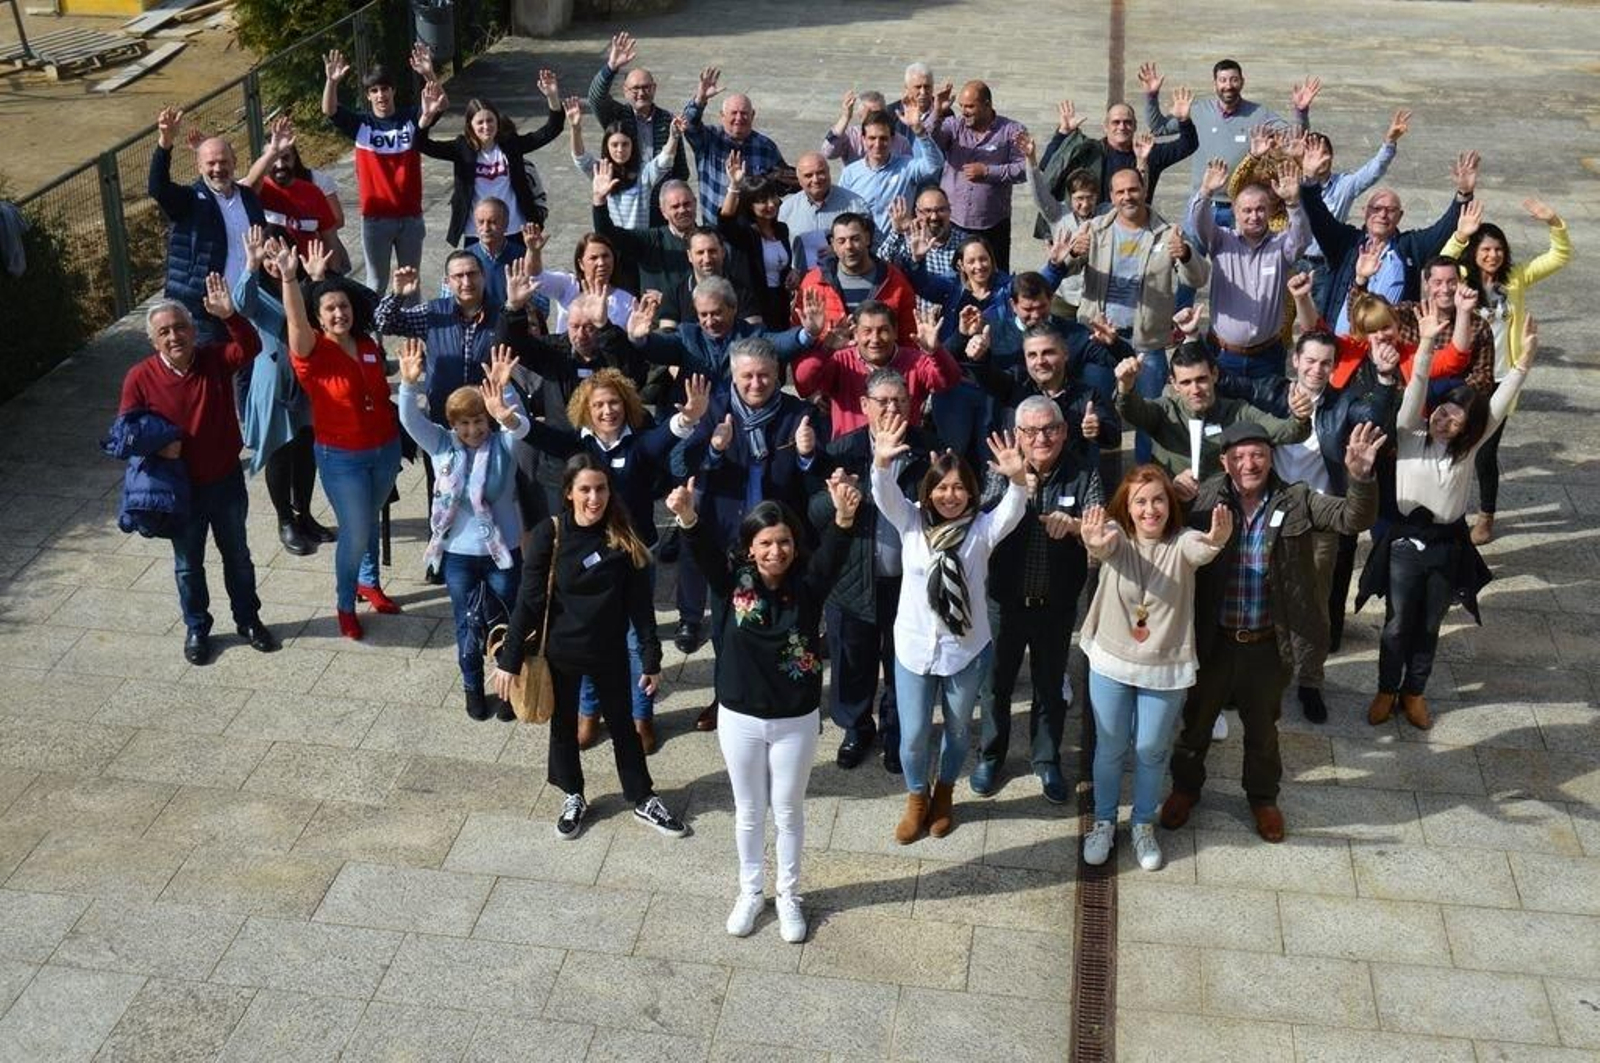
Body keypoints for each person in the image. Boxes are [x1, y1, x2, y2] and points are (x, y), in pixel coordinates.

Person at [1160, 419, 1384, 843]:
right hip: (1213, 640)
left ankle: (1263, 798)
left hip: (1266, 644)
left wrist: (1360, 477)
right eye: (1240, 456)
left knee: (1263, 731)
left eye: (1258, 455)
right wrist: (1175, 497)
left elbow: (1353, 517)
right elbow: (1159, 533)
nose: (1250, 464)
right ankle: (1185, 789)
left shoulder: (1297, 499)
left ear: (1270, 458)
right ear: (1224, 462)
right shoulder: (1204, 499)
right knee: (1195, 725)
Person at [669, 470, 859, 942]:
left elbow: (834, 552)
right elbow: (703, 551)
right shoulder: (731, 583)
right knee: (749, 811)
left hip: (795, 720)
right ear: (750, 547)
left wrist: (843, 517)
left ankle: (789, 895)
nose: (777, 551)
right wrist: (688, 516)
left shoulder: (808, 585)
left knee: (788, 811)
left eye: (785, 541)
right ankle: (751, 892)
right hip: (740, 718)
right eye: (766, 543)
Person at [1357, 309, 1538, 730]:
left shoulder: (1468, 450)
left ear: (1467, 428)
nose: (1444, 419)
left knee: (1429, 624)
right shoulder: (1409, 433)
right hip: (1404, 544)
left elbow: (1495, 408)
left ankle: (1414, 692)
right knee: (1397, 623)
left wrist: (1523, 364)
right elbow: (1417, 385)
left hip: (1447, 545)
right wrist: (1424, 344)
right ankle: (1386, 688)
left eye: (1456, 418)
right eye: (1442, 412)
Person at [491, 454, 687, 841]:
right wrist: (509, 659)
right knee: (563, 727)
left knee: (624, 727)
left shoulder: (622, 536)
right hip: (561, 652)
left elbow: (640, 606)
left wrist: (651, 656)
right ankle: (572, 795)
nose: (594, 498)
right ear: (569, 492)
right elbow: (529, 601)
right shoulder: (550, 534)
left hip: (609, 651)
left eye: (601, 489)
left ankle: (642, 797)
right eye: (585, 489)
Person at [518, 370, 710, 753]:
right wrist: (508, 417)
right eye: (599, 405)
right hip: (587, 557)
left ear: (627, 404)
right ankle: (589, 713)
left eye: (614, 402)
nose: (608, 411)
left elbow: (664, 437)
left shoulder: (638, 443)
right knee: (589, 635)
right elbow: (539, 435)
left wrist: (689, 417)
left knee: (636, 639)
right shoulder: (578, 445)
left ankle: (641, 716)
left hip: (634, 556)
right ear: (586, 410)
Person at [872, 419, 1028, 844]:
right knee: (913, 735)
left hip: (965, 650)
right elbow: (884, 495)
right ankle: (916, 797)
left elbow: (1013, 510)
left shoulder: (982, 529)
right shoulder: (911, 521)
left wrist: (1017, 478)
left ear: (971, 493)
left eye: (959, 488)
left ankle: (944, 793)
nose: (950, 495)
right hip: (913, 650)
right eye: (942, 487)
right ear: (929, 491)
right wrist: (881, 463)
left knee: (958, 731)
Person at [1077, 465, 1230, 869]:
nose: (1150, 509)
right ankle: (1104, 822)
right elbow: (1103, 544)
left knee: (1150, 750)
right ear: (1127, 508)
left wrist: (1216, 540)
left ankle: (1143, 824)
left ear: (1170, 503)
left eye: (1158, 499)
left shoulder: (1182, 541)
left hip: (1164, 668)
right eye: (1140, 502)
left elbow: (1201, 549)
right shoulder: (1118, 536)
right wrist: (1093, 541)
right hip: (1111, 662)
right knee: (1110, 747)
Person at [118, 279, 276, 665]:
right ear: (153, 341)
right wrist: (157, 446)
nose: (174, 337)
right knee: (188, 566)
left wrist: (230, 316)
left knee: (237, 556)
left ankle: (248, 620)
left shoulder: (213, 359)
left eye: (180, 328)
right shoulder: (140, 377)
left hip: (225, 481)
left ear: (193, 330)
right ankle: (197, 628)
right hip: (179, 490)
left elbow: (250, 347)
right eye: (164, 332)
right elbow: (124, 433)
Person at [677, 339, 821, 730]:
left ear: (778, 375)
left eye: (764, 376)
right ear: (734, 377)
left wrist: (808, 456)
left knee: (788, 622)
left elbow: (817, 481)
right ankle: (725, 695)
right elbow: (680, 464)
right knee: (727, 623)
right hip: (730, 539)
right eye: (748, 376)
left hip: (780, 545)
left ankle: (786, 688)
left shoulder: (800, 414)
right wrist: (713, 450)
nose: (756, 384)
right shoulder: (714, 411)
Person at [975, 397, 1103, 801]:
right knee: (995, 685)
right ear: (1018, 435)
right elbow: (981, 523)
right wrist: (1013, 492)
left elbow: (1100, 526)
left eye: (1049, 429)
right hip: (1004, 601)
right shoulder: (1001, 468)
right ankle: (990, 756)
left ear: (1064, 432)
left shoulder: (1083, 472)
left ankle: (1046, 760)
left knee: (1050, 687)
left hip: (1056, 603)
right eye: (1030, 431)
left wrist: (1077, 526)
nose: (1041, 438)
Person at [806, 369, 934, 772]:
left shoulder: (928, 451)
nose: (892, 408)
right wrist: (839, 499)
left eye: (900, 401)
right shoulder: (841, 452)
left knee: (902, 662)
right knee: (851, 661)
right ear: (864, 406)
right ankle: (856, 728)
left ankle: (897, 730)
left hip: (907, 585)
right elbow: (813, 514)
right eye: (883, 401)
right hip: (852, 579)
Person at [276, 243, 403, 640]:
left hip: (385, 449)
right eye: (329, 309)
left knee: (370, 517)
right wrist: (290, 278)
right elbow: (296, 321)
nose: (338, 313)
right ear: (318, 318)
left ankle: (369, 582)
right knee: (356, 530)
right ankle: (346, 604)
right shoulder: (312, 353)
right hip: (342, 458)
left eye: (343, 306)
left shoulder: (366, 344)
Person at [397, 342, 529, 721]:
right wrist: (409, 384)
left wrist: (505, 390)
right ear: (453, 424)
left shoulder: (504, 444)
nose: (473, 430)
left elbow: (520, 425)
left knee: (507, 623)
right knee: (467, 625)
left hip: (502, 553)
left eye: (479, 421)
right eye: (464, 423)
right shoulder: (441, 444)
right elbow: (410, 420)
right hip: (458, 556)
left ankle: (508, 690)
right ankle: (472, 687)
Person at [1442, 197, 1571, 545]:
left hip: (1501, 380)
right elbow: (1440, 264)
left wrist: (1554, 221)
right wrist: (1460, 235)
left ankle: (1485, 517)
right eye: (1486, 249)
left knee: (1485, 453)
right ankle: (1448, 512)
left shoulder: (1515, 279)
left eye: (1498, 249)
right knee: (1451, 446)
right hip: (1464, 377)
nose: (1493, 255)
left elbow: (1558, 256)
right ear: (1475, 252)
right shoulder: (1462, 279)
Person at [1061, 167, 1209, 462]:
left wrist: (1185, 255)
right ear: (1111, 196)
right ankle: (1095, 480)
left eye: (1133, 190)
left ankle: (1144, 479)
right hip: (1099, 340)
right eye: (1120, 192)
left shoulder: (1167, 232)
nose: (1127, 196)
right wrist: (1073, 253)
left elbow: (1198, 278)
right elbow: (1064, 269)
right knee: (1093, 415)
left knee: (1149, 418)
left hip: (1146, 343)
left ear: (1144, 190)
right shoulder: (1095, 229)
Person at [231, 227, 336, 558]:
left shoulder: (303, 284)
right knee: (279, 450)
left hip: (307, 380)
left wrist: (317, 279)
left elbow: (326, 315)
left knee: (306, 448)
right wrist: (250, 265)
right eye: (267, 255)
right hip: (273, 380)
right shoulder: (258, 292)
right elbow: (240, 304)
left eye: (278, 251)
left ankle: (304, 513)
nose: (273, 261)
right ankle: (285, 520)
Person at [1303, 149, 1479, 333]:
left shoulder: (1411, 247)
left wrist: (1464, 194)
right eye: (1376, 208)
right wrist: (1308, 180)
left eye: (1391, 210)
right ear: (1364, 212)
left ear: (1400, 216)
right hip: (1343, 343)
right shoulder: (1345, 242)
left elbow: (1443, 229)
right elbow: (1317, 214)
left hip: (1391, 343)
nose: (1382, 215)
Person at [1113, 340, 1310, 500]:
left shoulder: (1237, 411)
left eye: (1201, 379)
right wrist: (1125, 386)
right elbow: (1131, 411)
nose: (1195, 390)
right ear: (1174, 384)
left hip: (1222, 507)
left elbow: (1284, 431)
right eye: (1186, 382)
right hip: (1172, 507)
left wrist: (1299, 417)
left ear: (1214, 375)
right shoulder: (1164, 411)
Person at [321, 45, 442, 296]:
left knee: (411, 285)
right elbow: (330, 110)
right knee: (375, 285)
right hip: (375, 220)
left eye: (384, 89)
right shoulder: (361, 124)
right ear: (368, 96)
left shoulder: (410, 118)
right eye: (374, 90)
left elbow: (439, 105)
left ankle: (412, 324)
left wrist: (429, 74)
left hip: (410, 217)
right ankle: (373, 325)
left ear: (393, 90)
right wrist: (332, 82)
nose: (380, 95)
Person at [1140, 59, 1314, 224]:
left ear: (1242, 82)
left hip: (1240, 208)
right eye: (1222, 80)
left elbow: (1295, 138)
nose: (1228, 86)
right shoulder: (1197, 111)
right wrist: (1151, 96)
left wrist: (1301, 112)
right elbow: (1159, 128)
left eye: (1234, 80)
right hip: (1202, 202)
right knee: (1190, 246)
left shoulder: (1260, 114)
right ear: (1214, 84)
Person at [149, 107, 267, 343]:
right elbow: (158, 188)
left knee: (251, 363)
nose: (218, 169)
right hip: (204, 313)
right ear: (199, 167)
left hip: (248, 306)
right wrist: (165, 143)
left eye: (223, 162)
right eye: (211, 163)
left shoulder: (248, 197)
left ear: (234, 163)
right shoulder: (190, 201)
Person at [1189, 158, 1311, 379]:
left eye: (1260, 210)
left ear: (1269, 211)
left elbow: (1302, 239)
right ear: (1235, 212)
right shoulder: (1221, 240)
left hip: (1268, 357)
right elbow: (1198, 222)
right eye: (1247, 210)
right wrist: (1206, 191)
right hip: (1224, 356)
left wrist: (1293, 203)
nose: (1254, 216)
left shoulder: (1280, 245)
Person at [417, 75, 564, 249]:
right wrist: (426, 117)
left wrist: (552, 97)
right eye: (480, 122)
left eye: (490, 120)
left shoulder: (511, 144)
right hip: (476, 232)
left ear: (497, 122)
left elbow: (551, 130)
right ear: (470, 126)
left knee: (519, 267)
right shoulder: (462, 149)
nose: (486, 127)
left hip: (515, 228)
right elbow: (422, 144)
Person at [792, 299, 962, 439]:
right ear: (855, 333)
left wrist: (935, 351)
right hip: (850, 455)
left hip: (905, 448)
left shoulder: (914, 360)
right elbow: (804, 380)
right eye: (867, 331)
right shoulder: (841, 360)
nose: (875, 339)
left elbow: (949, 379)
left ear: (895, 332)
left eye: (883, 331)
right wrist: (825, 350)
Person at [1033, 92, 1197, 230]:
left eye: (1127, 122)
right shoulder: (1089, 151)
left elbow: (1187, 145)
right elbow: (1049, 165)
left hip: (1133, 229)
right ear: (1105, 126)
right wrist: (1063, 133)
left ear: (1135, 126)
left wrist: (1184, 121)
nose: (1122, 127)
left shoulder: (1147, 153)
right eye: (1116, 122)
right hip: (1091, 230)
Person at [586, 30, 690, 222]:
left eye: (646, 88)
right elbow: (595, 98)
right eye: (635, 88)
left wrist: (672, 201)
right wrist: (611, 67)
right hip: (626, 206)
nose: (641, 93)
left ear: (654, 89)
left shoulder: (667, 120)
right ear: (625, 91)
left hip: (660, 208)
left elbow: (680, 169)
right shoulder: (617, 116)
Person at [934, 81, 1026, 271]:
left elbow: (1025, 169)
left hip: (992, 224)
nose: (964, 112)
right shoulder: (953, 126)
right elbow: (928, 141)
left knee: (995, 275)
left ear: (987, 105)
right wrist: (936, 111)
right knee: (953, 276)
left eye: (970, 106)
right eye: (961, 106)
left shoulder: (1011, 131)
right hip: (954, 222)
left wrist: (988, 172)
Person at [683, 66, 791, 225]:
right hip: (715, 229)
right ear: (722, 116)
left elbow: (782, 184)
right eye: (733, 113)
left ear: (753, 115)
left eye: (744, 113)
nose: (739, 118)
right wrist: (700, 100)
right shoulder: (709, 139)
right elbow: (688, 125)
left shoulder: (766, 146)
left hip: (753, 231)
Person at [792, 213, 918, 340]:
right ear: (833, 245)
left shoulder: (894, 280)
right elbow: (798, 337)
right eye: (841, 241)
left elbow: (909, 337)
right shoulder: (813, 282)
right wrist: (826, 346)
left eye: (855, 239)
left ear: (867, 239)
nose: (849, 246)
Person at [569, 98, 684, 231]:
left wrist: (674, 136)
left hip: (638, 239)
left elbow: (665, 159)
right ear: (607, 147)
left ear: (632, 146)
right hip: (610, 238)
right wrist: (575, 128)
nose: (620, 150)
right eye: (614, 145)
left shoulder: (644, 173)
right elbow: (580, 157)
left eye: (625, 144)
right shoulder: (602, 171)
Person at [838, 102, 943, 237]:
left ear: (892, 139)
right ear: (863, 139)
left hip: (898, 244)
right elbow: (841, 210)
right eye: (872, 138)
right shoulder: (850, 173)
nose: (877, 144)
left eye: (883, 138)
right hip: (862, 246)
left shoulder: (906, 167)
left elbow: (935, 165)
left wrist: (920, 132)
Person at [242, 117, 338, 261]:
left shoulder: (313, 193)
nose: (280, 165)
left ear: (294, 159)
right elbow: (249, 185)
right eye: (274, 159)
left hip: (307, 269)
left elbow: (330, 238)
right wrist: (273, 151)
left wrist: (333, 272)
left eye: (285, 158)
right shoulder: (259, 190)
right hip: (269, 269)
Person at [719, 156, 796, 329]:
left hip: (780, 304)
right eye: (762, 201)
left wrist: (792, 273)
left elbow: (778, 264)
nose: (771, 204)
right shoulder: (744, 233)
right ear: (749, 205)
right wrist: (734, 185)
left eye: (772, 197)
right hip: (753, 308)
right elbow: (725, 220)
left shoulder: (781, 229)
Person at [593, 178, 701, 295]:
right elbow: (608, 235)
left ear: (695, 203)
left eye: (687, 204)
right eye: (675, 206)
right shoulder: (649, 241)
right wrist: (599, 202)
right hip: (657, 307)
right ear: (663, 211)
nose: (682, 210)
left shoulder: (710, 240)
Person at [522, 228, 636, 333]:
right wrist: (533, 252)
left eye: (605, 256)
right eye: (593, 258)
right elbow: (535, 278)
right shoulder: (568, 285)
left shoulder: (627, 300)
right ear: (581, 264)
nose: (601, 263)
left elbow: (634, 339)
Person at [779, 152, 869, 273]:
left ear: (828, 172)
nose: (816, 179)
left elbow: (871, 243)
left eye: (820, 172)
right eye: (808, 175)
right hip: (802, 281)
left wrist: (840, 248)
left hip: (844, 279)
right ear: (799, 180)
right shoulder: (786, 210)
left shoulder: (855, 205)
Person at [823, 89, 912, 164]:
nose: (875, 118)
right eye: (870, 114)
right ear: (860, 115)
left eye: (879, 113)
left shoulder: (900, 142)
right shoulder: (851, 136)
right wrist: (845, 117)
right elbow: (828, 153)